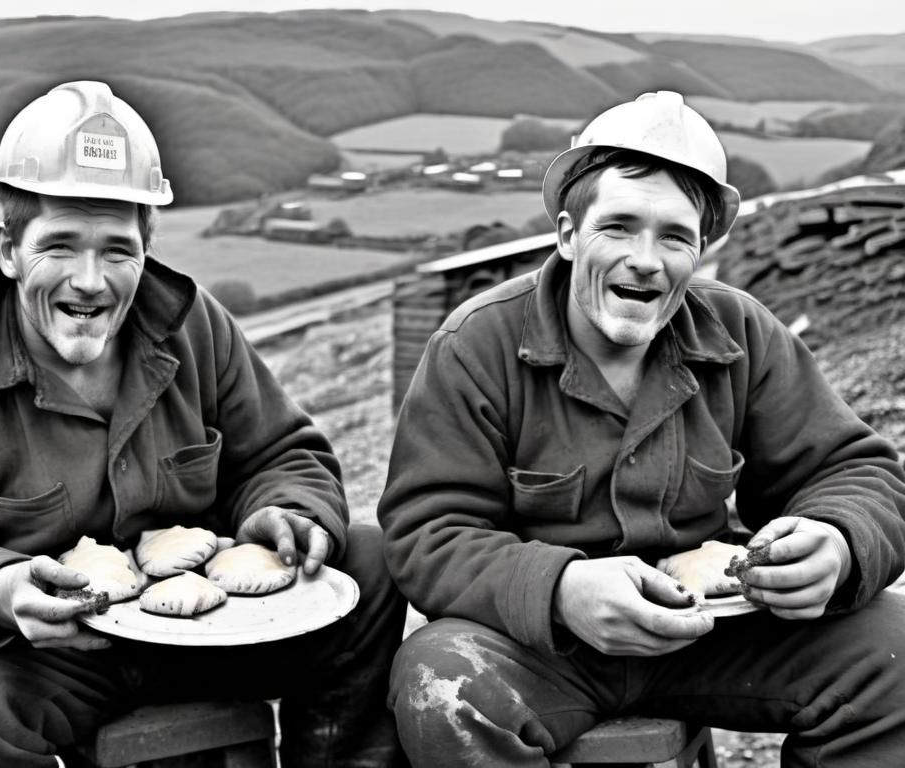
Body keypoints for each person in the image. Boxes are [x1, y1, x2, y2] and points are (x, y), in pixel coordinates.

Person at [0, 80, 407, 767]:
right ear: (8, 249)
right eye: (60, 246)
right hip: (42, 654)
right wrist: (4, 590)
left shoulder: (193, 326)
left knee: (368, 564)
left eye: (117, 250)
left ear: (145, 249)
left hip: (209, 628)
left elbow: (281, 452)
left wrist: (289, 512)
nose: (91, 280)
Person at [379, 91, 905, 766]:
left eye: (675, 237)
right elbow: (426, 532)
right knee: (439, 686)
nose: (646, 260)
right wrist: (562, 591)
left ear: (701, 252)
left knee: (896, 655)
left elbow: (855, 471)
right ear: (569, 235)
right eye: (619, 227)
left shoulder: (741, 332)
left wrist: (837, 542)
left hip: (710, 634)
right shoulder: (474, 345)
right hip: (540, 650)